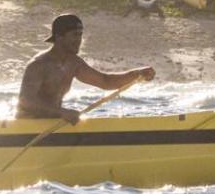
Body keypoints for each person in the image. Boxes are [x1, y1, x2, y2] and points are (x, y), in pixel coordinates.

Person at [15, 14, 156, 122]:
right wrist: (62, 112)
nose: (79, 40)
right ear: (59, 37)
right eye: (74, 35)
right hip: (28, 127)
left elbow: (105, 81)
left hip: (52, 124)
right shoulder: (39, 65)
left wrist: (137, 74)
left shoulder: (73, 63)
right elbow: (26, 101)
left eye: (80, 35)